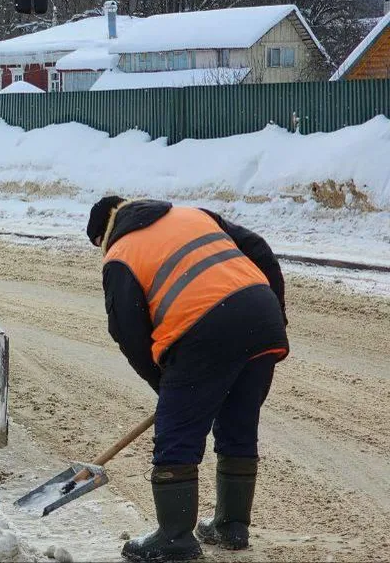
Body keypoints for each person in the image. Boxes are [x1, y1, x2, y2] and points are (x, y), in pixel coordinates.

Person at [86, 196, 289, 562]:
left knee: (176, 431)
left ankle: (174, 536)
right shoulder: (192, 215)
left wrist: (168, 390)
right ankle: (231, 525)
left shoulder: (120, 254)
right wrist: (275, 312)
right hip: (263, 316)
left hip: (205, 327)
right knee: (238, 419)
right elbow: (258, 248)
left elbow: (128, 332)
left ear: (103, 237)